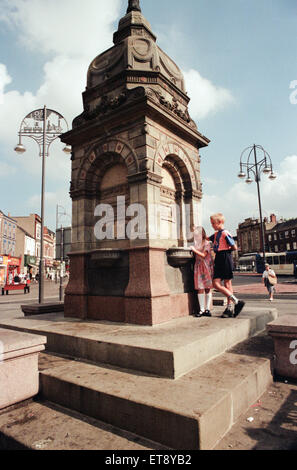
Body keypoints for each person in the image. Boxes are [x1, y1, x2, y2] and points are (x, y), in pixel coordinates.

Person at [209, 213, 245, 318]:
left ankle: (229, 308)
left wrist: (226, 250)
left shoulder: (225, 233)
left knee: (227, 283)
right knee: (215, 283)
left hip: (225, 256)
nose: (212, 225)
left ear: (220, 222)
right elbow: (206, 238)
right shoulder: (215, 234)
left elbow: (234, 246)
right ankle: (237, 302)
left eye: (213, 223)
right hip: (219, 257)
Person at [190, 226, 214, 318]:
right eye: (195, 235)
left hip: (206, 267)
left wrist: (194, 250)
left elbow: (204, 255)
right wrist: (194, 229)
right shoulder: (197, 243)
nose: (196, 237)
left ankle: (207, 309)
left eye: (197, 235)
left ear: (202, 235)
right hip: (199, 267)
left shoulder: (207, 243)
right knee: (200, 288)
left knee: (208, 288)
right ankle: (202, 309)